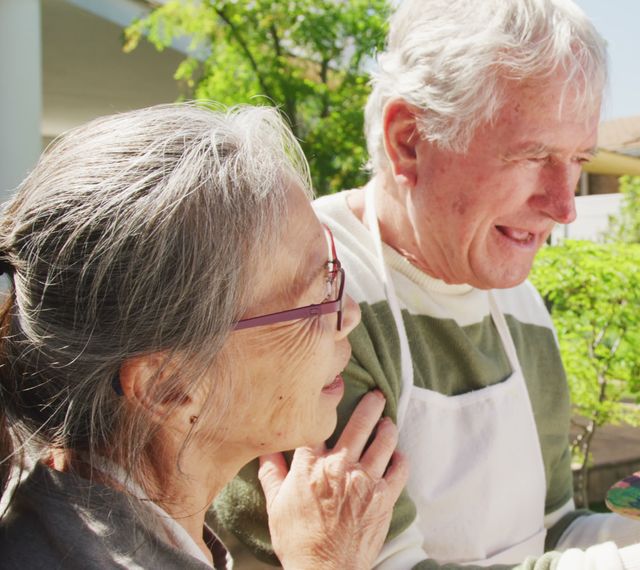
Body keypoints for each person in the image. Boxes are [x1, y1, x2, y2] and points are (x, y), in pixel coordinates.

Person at [216, 0, 640, 568]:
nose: (564, 204)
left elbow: (552, 538)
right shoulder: (312, 301)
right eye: (533, 155)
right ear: (409, 141)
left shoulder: (517, 303)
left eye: (575, 159)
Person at [0, 104, 408, 569]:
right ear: (168, 387)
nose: (349, 313)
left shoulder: (54, 516)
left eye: (332, 270)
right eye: (314, 298)